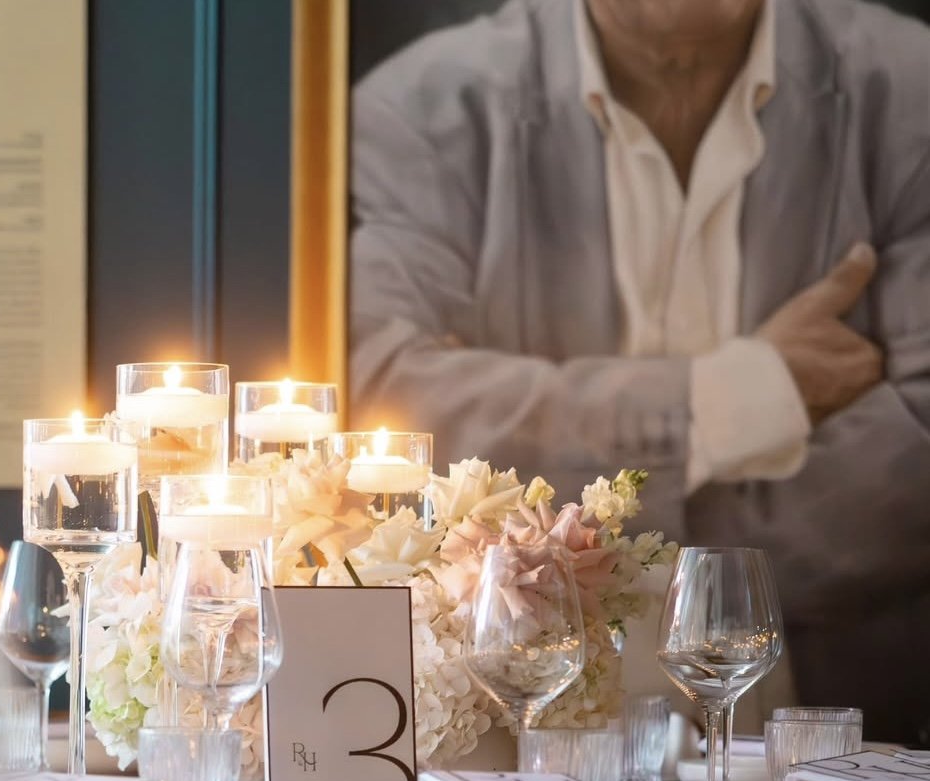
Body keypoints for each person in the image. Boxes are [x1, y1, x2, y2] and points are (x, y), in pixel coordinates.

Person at [349, 0, 930, 743]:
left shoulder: (909, 87)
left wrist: (648, 571)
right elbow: (391, 405)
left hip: (855, 727)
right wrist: (749, 393)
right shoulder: (427, 109)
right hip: (503, 734)